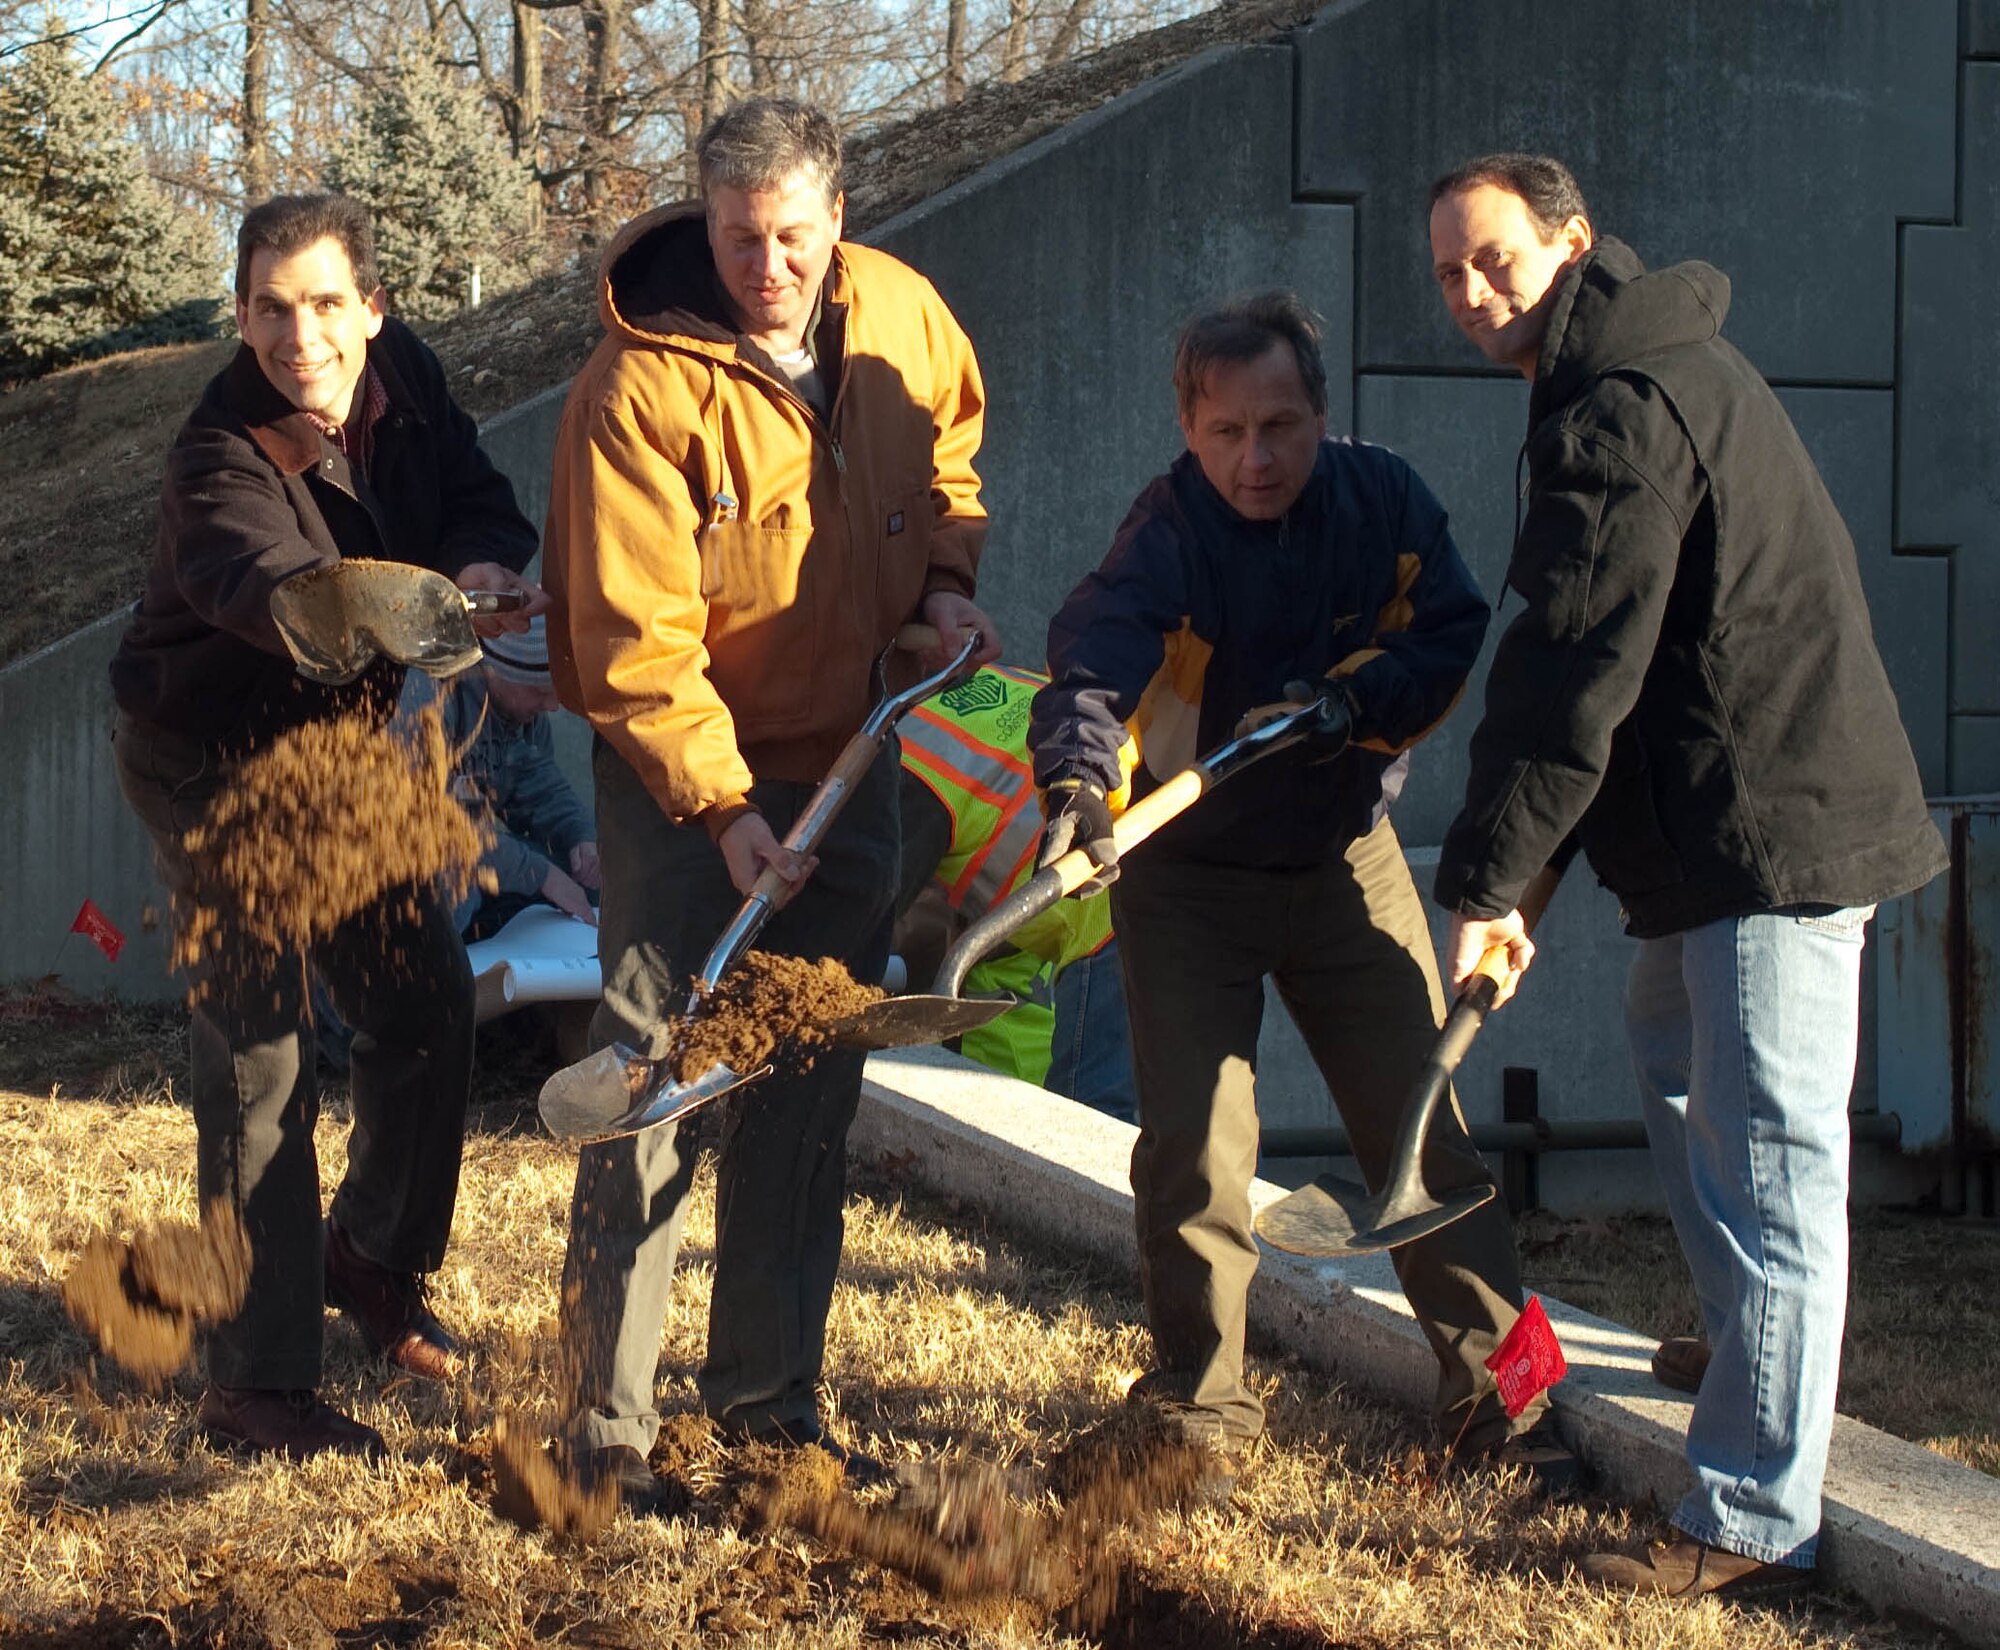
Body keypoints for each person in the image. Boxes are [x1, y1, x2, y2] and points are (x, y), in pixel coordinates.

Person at [1426, 154, 1946, 1597]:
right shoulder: (1620, 364)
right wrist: (1525, 887)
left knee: (1771, 1158)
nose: (1472, 296)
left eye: (1494, 262)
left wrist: (1486, 879)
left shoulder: (1622, 403)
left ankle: (1750, 1516)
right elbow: (1625, 658)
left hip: (1771, 827)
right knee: (1674, 1066)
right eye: (1450, 275)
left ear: (1571, 239)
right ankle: (1747, 1338)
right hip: (1712, 831)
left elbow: (1572, 662)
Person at [1027, 290, 1574, 1498]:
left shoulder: (1381, 501)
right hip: (1182, 878)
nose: (1254, 458)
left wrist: (1349, 701)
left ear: (1321, 412)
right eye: (1225, 432)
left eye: (1279, 425)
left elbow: (1450, 627)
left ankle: (1515, 1409)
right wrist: (1076, 785)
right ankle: (1197, 1414)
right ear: (1187, 425)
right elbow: (1091, 663)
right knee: (1194, 1156)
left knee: (1423, 1132)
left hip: (1342, 859)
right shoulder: (1163, 531)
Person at [542, 95, 1000, 1506]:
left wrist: (943, 590)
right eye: (741, 238)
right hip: (687, 780)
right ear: (705, 220)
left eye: (792, 235)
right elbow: (632, 642)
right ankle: (605, 1428)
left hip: (853, 752)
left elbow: (951, 466)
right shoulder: (636, 391)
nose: (767, 266)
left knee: (807, 1076)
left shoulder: (909, 320)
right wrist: (723, 810)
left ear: (838, 217)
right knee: (653, 1080)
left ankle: (766, 1403)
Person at [107, 193, 544, 1460]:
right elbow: (291, 603)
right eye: (268, 309)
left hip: (337, 750)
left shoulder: (403, 376)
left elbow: (477, 494)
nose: (298, 335)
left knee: (423, 1003)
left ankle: (371, 1257)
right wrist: (435, 617)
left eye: (321, 304)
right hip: (210, 760)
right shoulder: (217, 452)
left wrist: (473, 569)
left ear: (373, 307)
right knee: (261, 1058)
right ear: (241, 316)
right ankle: (256, 1382)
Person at [895, 664, 1137, 1119]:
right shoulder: (984, 682)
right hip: (1134, 830)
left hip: (1108, 893)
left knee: (1091, 1117)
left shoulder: (909, 779)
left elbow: (864, 914)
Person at [418, 616, 599, 937]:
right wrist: (539, 874)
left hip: (480, 861)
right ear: (496, 670)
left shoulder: (523, 713)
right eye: (539, 691)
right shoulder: (429, 702)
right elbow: (425, 832)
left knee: (585, 880)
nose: (553, 705)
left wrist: (579, 835)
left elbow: (536, 782)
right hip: (413, 867)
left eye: (556, 690)